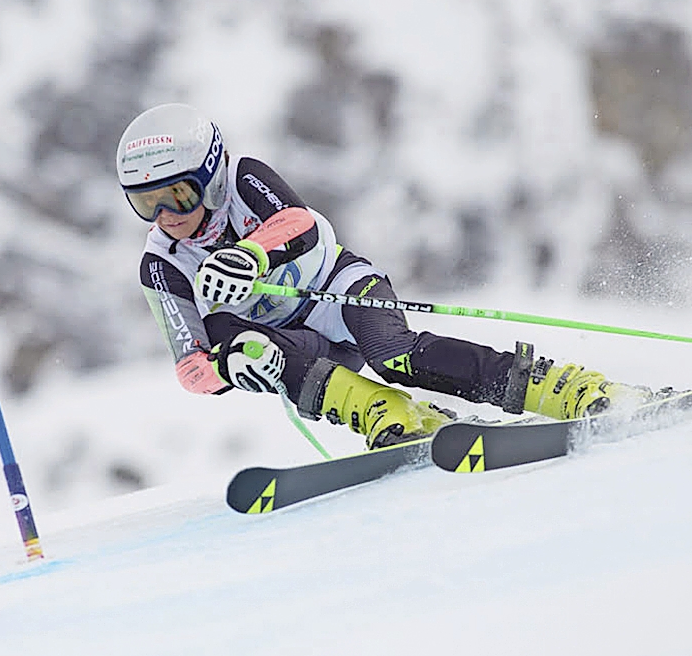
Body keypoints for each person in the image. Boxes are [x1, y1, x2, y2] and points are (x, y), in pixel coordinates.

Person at [118, 103, 649, 450]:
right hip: (294, 341)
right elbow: (189, 364)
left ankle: (566, 388)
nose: (167, 215)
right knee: (239, 342)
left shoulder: (244, 178)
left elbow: (300, 224)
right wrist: (227, 370)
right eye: (147, 204)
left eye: (179, 194)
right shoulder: (161, 264)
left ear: (210, 176)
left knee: (394, 355)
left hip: (338, 290)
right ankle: (390, 416)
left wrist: (252, 254)